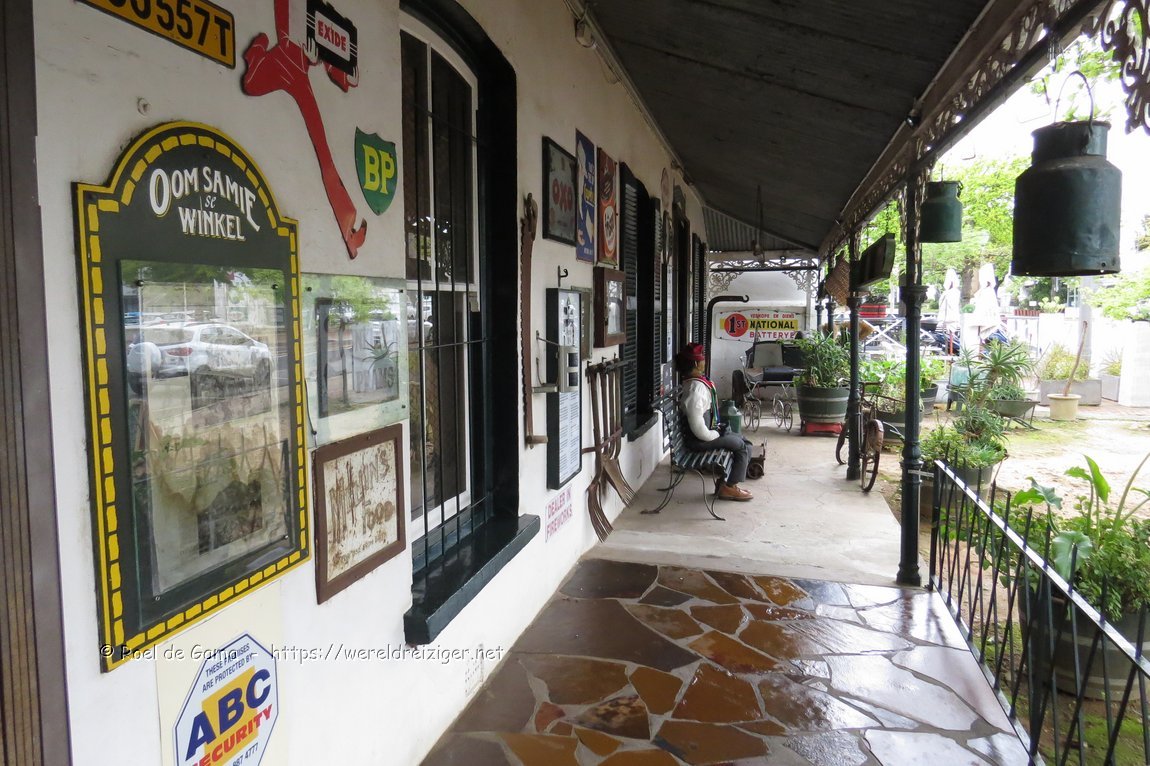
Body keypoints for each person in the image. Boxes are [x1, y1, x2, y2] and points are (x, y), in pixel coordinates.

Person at [675, 342, 755, 501]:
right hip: (699, 440)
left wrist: (718, 431)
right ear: (696, 363)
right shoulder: (695, 389)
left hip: (704, 435)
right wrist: (717, 434)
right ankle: (729, 487)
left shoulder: (695, 383)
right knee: (741, 446)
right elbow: (699, 430)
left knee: (743, 441)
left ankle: (726, 483)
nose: (705, 362)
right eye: (702, 359)